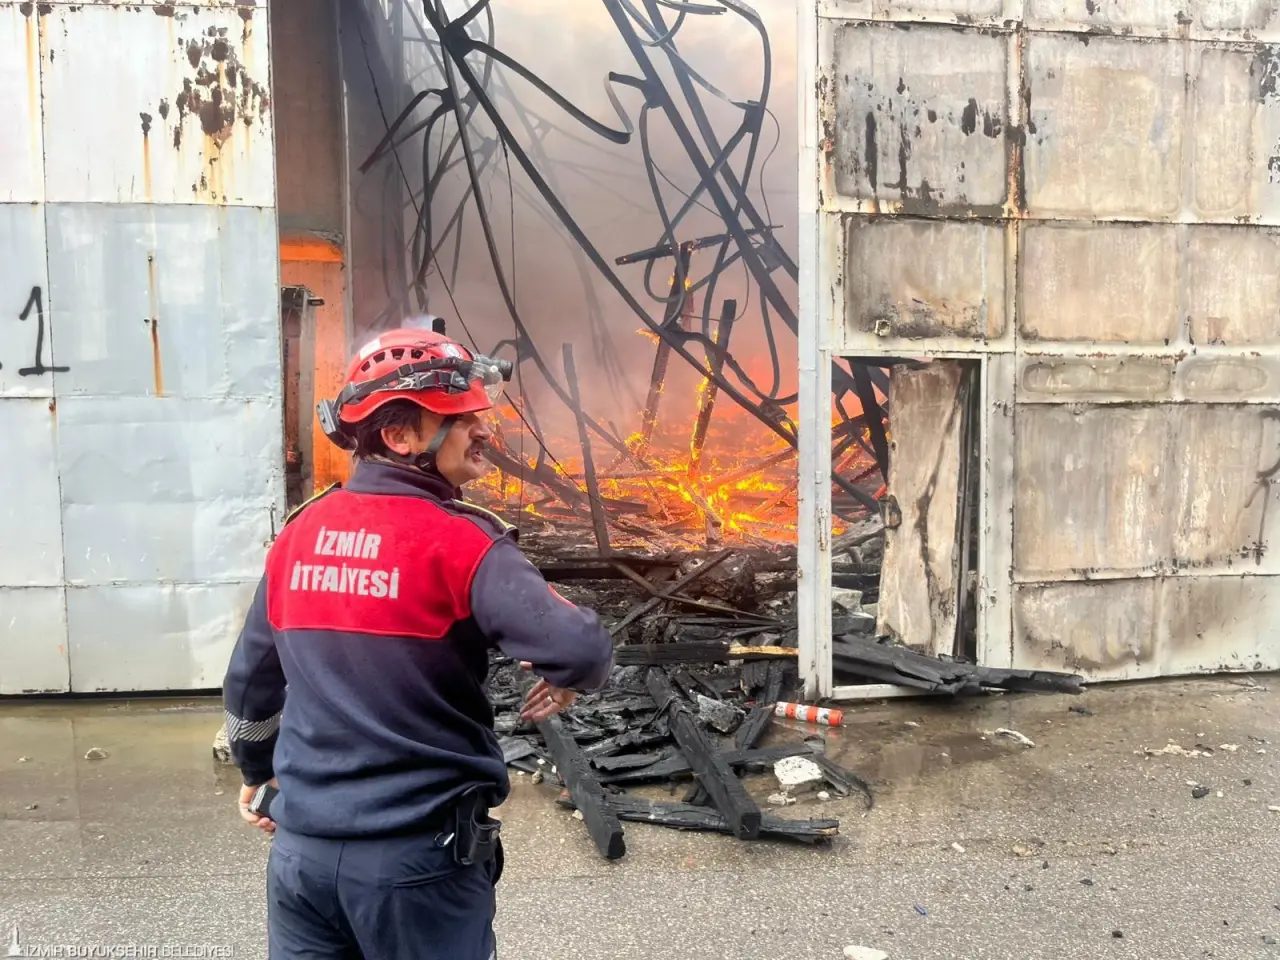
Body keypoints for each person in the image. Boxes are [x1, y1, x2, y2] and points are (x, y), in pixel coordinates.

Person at [221, 327, 614, 960]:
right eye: (459, 417)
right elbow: (582, 649)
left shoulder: (298, 536)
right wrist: (569, 676)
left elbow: (248, 686)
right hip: (418, 868)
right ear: (399, 435)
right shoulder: (463, 542)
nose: (482, 430)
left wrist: (257, 773)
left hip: (302, 861)